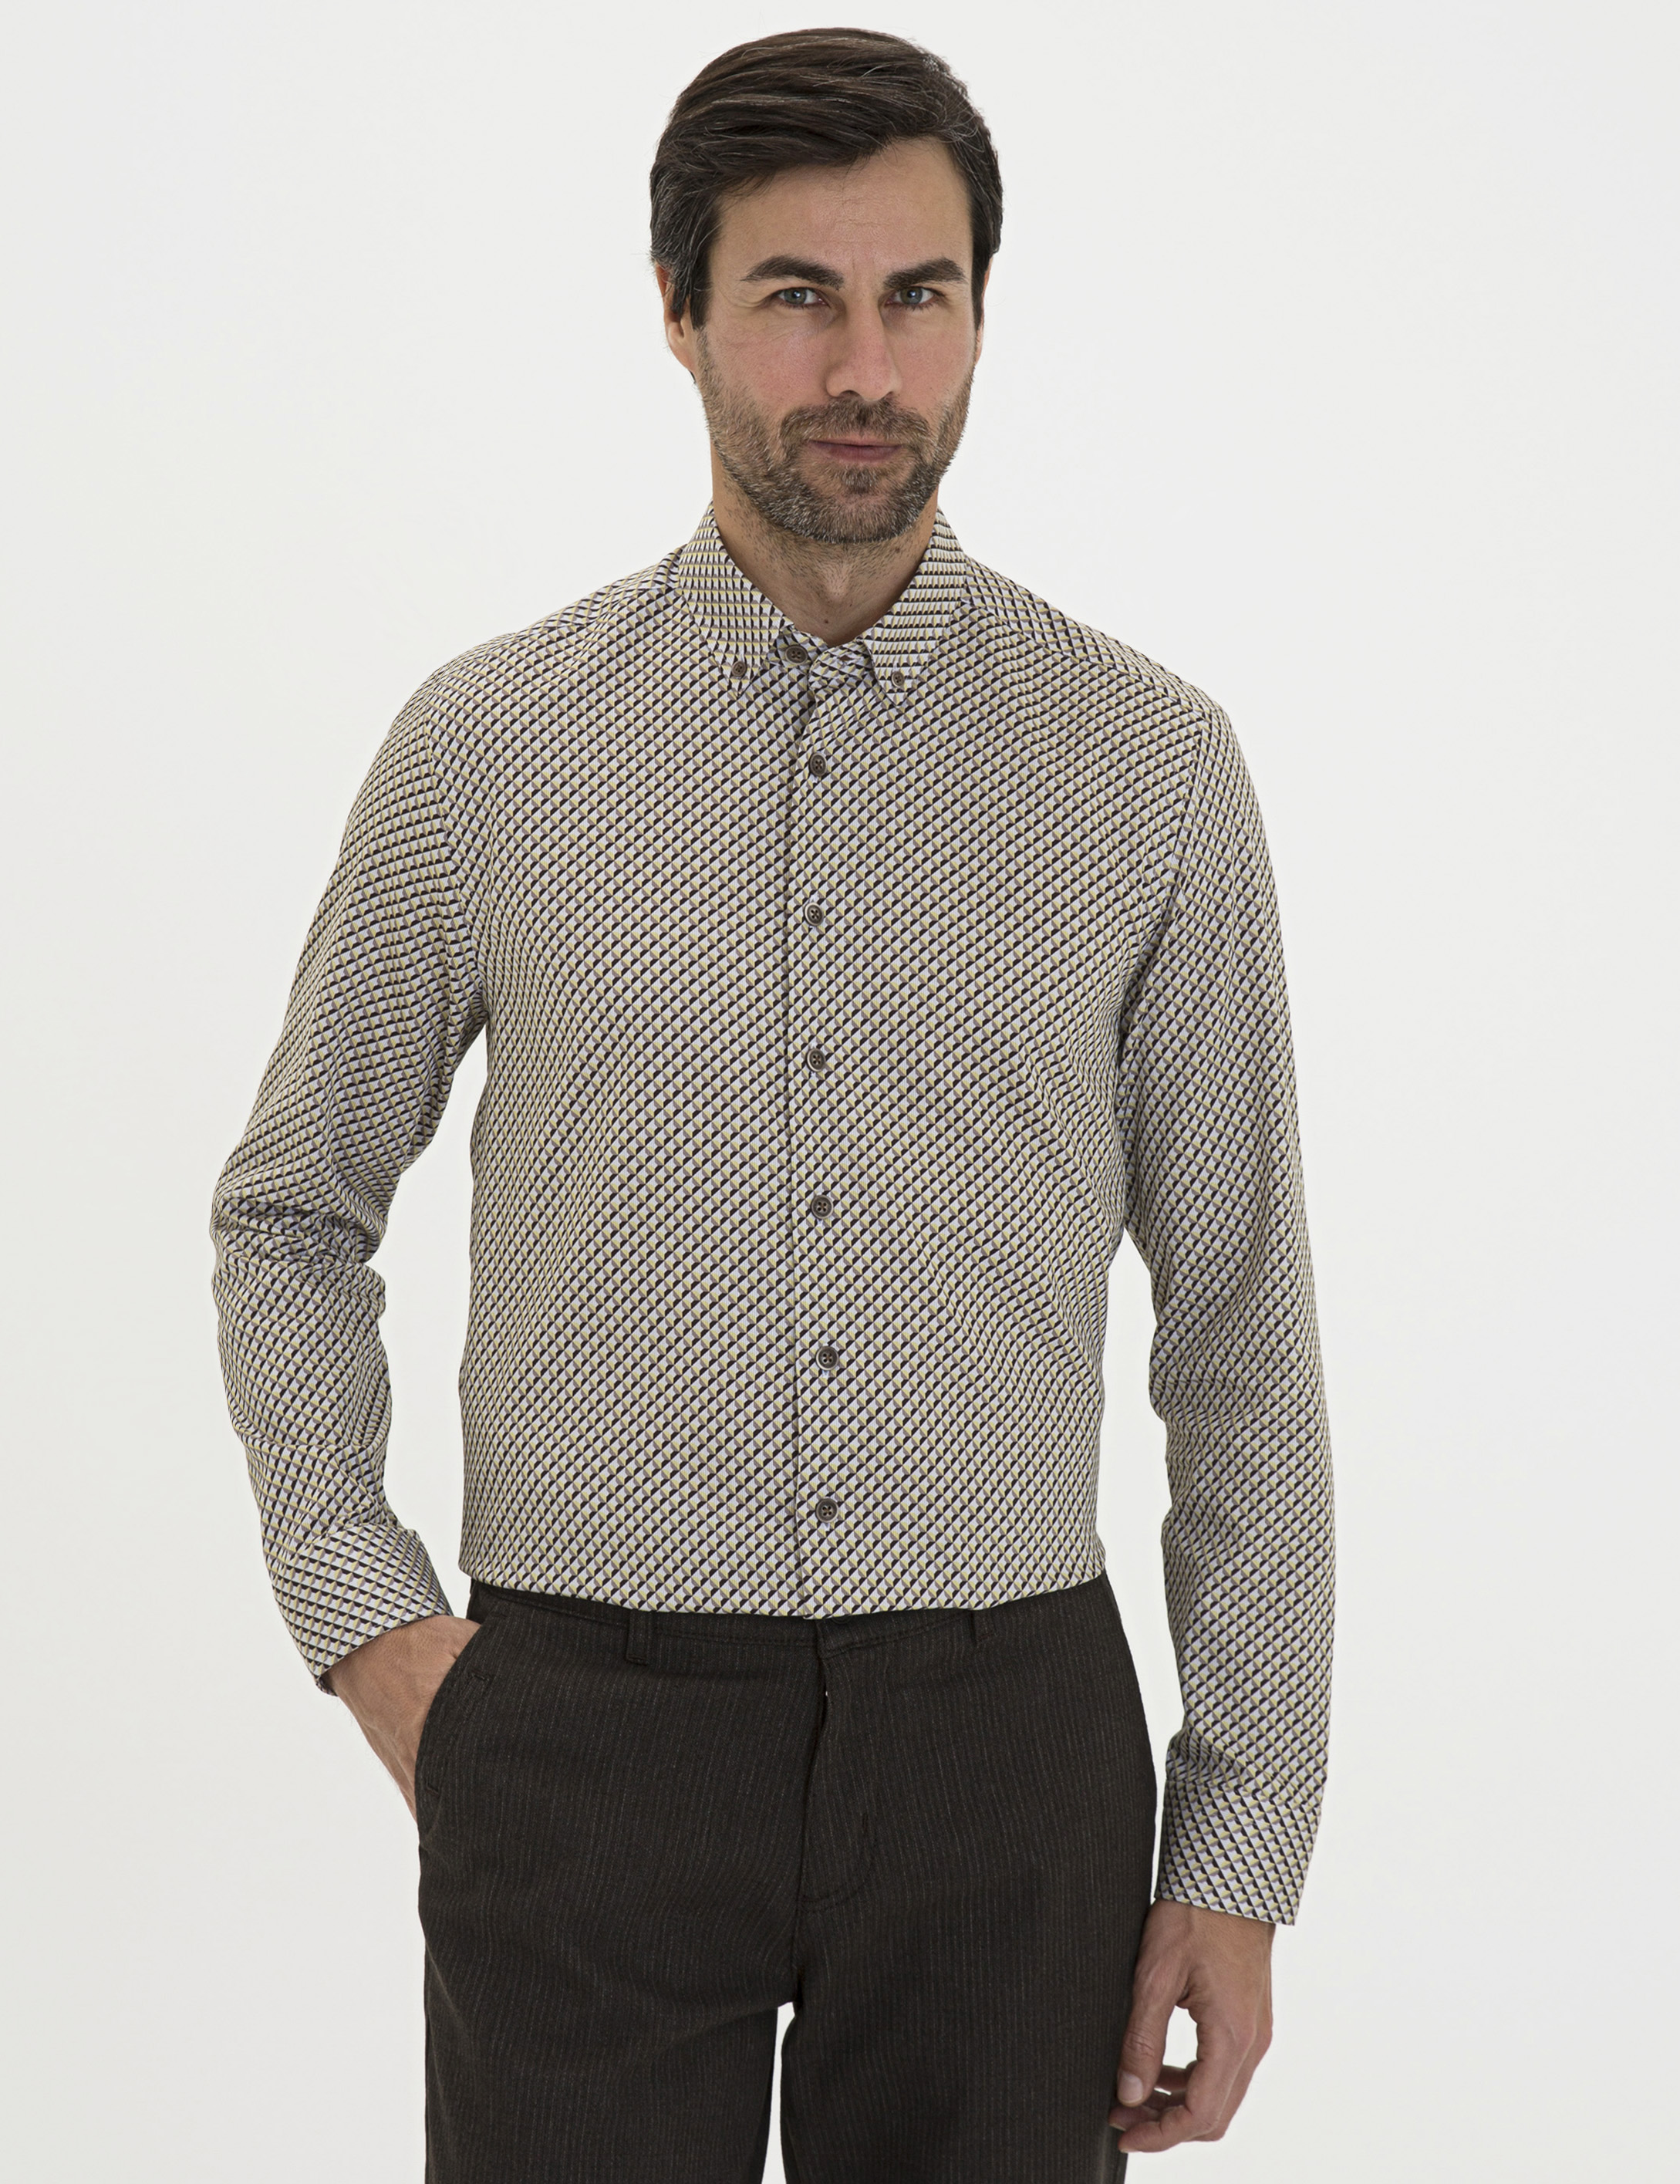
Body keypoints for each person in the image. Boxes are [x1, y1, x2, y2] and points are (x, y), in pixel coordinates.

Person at [210, 26, 1334, 2182]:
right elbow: (293, 1210)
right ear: (680, 312)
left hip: (1007, 1754)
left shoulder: (1148, 769)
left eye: (919, 296)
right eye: (797, 297)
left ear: (981, 314)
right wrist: (367, 1619)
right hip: (582, 1736)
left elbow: (1241, 1342)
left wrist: (1240, 1844)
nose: (865, 368)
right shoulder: (488, 752)